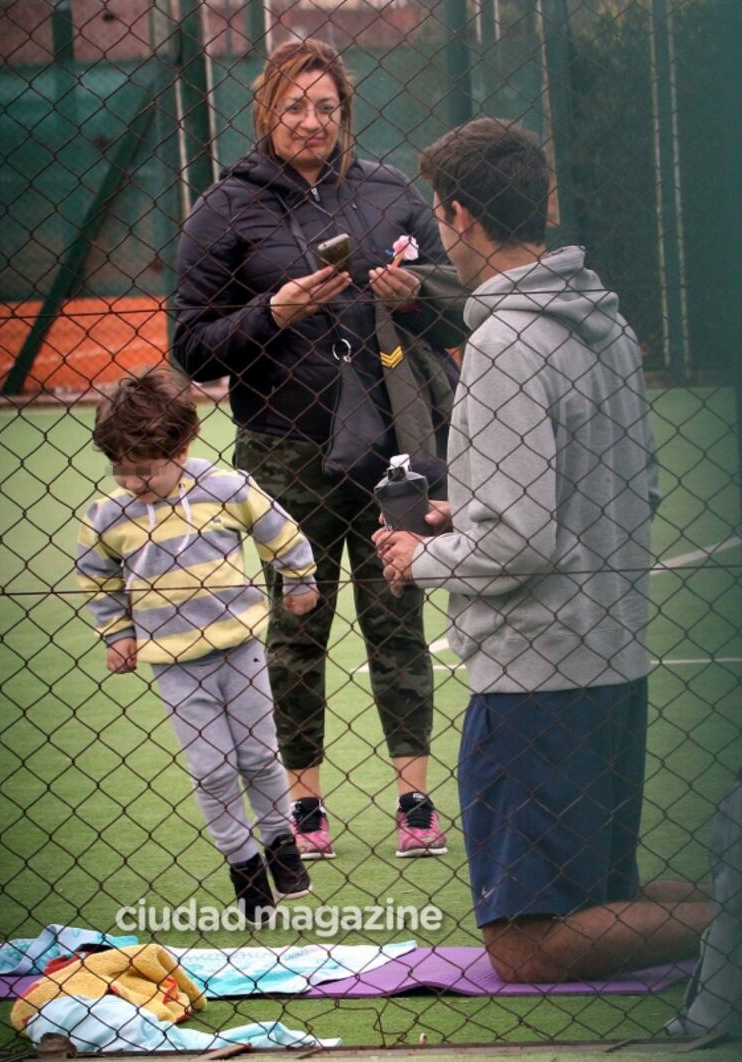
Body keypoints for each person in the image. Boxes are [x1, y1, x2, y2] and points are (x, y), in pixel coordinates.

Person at [374, 118, 713, 982]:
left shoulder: (504, 341)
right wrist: (468, 516)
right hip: (611, 656)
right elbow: (628, 493)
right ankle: (728, 913)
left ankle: (733, 921)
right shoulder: (600, 323)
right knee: (605, 895)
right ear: (543, 201)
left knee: (525, 947)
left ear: (455, 216)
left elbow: (520, 539)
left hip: (535, 679)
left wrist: (422, 557)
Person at [173, 39, 465, 860]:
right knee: (296, 630)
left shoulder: (388, 192)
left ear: (345, 114)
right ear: (266, 110)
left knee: (398, 620)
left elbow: (452, 313)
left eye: (325, 108)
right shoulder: (225, 208)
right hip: (281, 448)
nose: (311, 122)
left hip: (393, 451)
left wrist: (414, 298)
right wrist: (274, 312)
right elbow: (191, 348)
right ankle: (302, 807)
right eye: (295, 107)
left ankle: (414, 800)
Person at [76, 367, 317, 925]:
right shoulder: (109, 516)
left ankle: (282, 844)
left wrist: (300, 578)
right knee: (211, 769)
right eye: (120, 469)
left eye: (144, 470)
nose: (131, 481)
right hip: (175, 665)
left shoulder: (227, 488)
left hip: (240, 650)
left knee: (258, 755)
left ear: (182, 449)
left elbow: (278, 528)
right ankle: (244, 865)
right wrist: (117, 632)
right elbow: (96, 575)